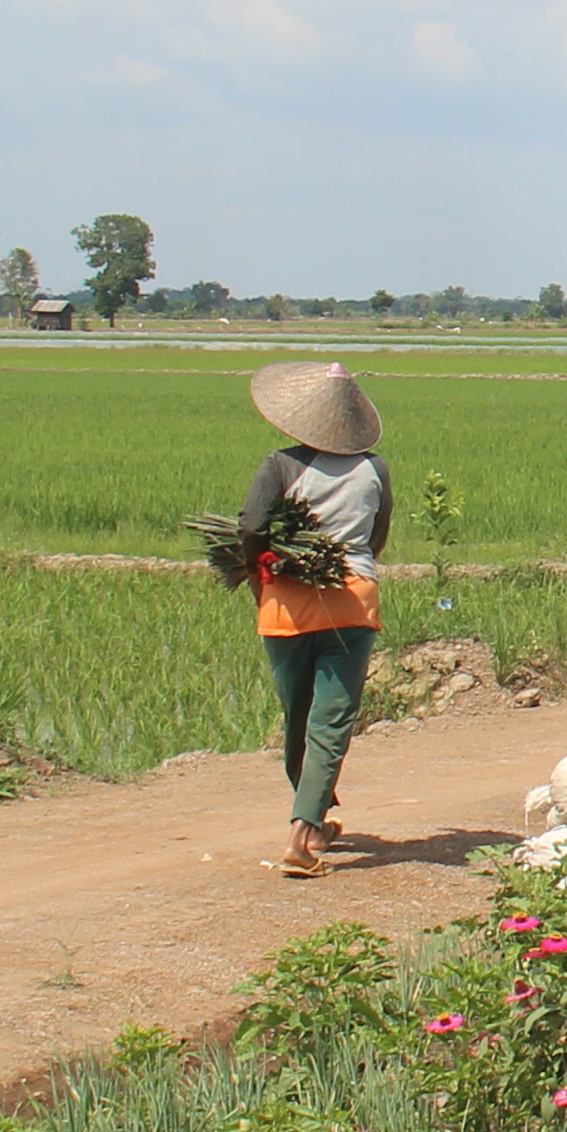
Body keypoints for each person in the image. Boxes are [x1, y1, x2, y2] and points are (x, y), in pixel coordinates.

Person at [239, 361, 389, 874]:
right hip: (352, 599)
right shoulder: (375, 470)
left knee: (300, 717)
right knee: (330, 720)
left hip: (287, 603)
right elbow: (376, 539)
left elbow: (252, 527)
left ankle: (304, 829)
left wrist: (262, 565)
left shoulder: (279, 465)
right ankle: (309, 828)